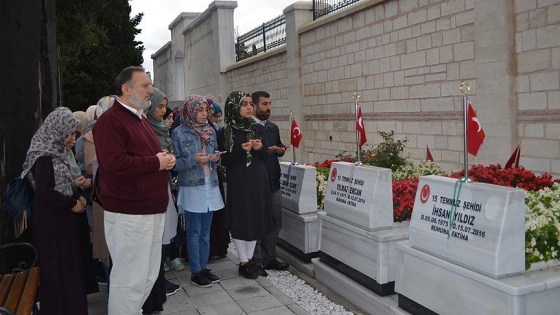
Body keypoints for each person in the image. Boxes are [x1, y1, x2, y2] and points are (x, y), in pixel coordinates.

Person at [93, 66, 176, 314]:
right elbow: (114, 163)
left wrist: (164, 158)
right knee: (129, 281)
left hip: (149, 211)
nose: (151, 91)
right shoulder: (110, 121)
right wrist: (156, 162)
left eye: (150, 85)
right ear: (126, 88)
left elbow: (145, 156)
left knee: (147, 277)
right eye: (145, 85)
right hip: (130, 214)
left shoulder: (139, 118)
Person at [21, 110, 88, 314]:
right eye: (70, 134)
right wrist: (70, 203)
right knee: (57, 270)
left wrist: (77, 196)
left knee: (67, 268)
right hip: (51, 222)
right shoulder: (44, 155)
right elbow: (44, 191)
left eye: (75, 135)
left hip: (60, 219)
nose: (73, 139)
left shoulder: (56, 152)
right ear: (58, 132)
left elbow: (61, 184)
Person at [218, 91, 274, 279]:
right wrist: (241, 152)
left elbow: (266, 156)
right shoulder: (227, 131)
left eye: (251, 103)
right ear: (235, 108)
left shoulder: (257, 128)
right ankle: (243, 262)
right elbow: (224, 160)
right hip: (240, 181)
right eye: (244, 104)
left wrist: (260, 148)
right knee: (243, 220)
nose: (250, 107)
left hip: (258, 178)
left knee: (256, 218)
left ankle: (250, 261)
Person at [172, 95, 224, 287]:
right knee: (194, 232)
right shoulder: (179, 133)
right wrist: (194, 159)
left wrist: (216, 157)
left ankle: (203, 267)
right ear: (190, 111)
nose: (204, 114)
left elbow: (216, 152)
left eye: (206, 110)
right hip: (193, 187)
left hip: (210, 184)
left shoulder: (210, 130)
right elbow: (174, 163)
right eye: (200, 110)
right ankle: (195, 272)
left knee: (206, 232)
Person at [143, 87, 182, 312]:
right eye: (159, 106)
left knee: (165, 231)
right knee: (155, 236)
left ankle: (160, 277)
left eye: (165, 106)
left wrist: (170, 157)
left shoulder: (161, 128)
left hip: (164, 184)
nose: (163, 110)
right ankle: (155, 281)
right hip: (152, 188)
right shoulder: (146, 127)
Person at [251, 91, 290, 272]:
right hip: (257, 183)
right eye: (264, 104)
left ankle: (270, 257)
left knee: (276, 220)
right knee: (258, 221)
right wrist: (267, 150)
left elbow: (277, 148)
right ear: (255, 106)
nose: (268, 108)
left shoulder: (273, 128)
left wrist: (280, 150)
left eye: (270, 104)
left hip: (273, 180)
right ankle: (256, 260)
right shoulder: (249, 128)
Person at [206, 98, 229, 260]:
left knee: (218, 213)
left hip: (215, 175)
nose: (209, 114)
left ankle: (219, 248)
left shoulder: (215, 129)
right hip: (201, 178)